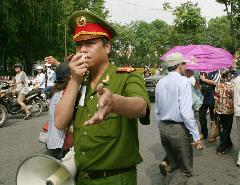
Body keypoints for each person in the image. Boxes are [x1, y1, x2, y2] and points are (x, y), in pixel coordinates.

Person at [54, 10, 150, 185]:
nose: (82, 50)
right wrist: (75, 79)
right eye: (79, 44)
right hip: (81, 177)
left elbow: (141, 107)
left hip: (115, 179)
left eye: (90, 43)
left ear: (107, 47)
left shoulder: (126, 76)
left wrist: (115, 102)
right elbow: (59, 123)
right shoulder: (79, 81)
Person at [155, 52, 203, 185]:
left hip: (164, 128)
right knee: (185, 171)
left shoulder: (160, 82)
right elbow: (186, 112)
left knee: (174, 167)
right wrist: (196, 135)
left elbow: (157, 112)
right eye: (184, 64)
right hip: (178, 129)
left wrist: (161, 128)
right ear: (180, 65)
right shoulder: (184, 81)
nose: (185, 66)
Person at [47, 61, 71, 159]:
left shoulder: (56, 90)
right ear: (70, 77)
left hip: (52, 142)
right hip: (61, 144)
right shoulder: (66, 93)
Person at [215, 69, 235, 155]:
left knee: (225, 126)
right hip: (228, 110)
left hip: (219, 110)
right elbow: (234, 97)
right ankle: (221, 147)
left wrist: (215, 108)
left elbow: (215, 98)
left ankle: (228, 143)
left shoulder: (218, 85)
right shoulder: (231, 86)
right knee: (227, 128)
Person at [199, 70, 221, 142]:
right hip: (202, 96)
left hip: (212, 96)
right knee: (201, 116)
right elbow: (198, 82)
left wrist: (204, 80)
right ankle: (203, 133)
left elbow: (216, 82)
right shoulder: (201, 70)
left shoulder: (217, 71)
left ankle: (213, 135)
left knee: (213, 116)